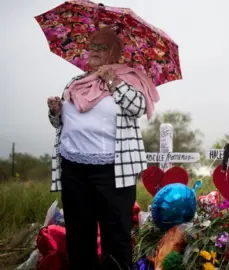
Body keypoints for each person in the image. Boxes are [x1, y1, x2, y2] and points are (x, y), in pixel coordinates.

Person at [47, 27, 158, 269]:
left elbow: (137, 107)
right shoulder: (77, 82)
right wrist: (55, 112)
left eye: (101, 47)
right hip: (73, 168)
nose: (94, 51)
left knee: (116, 232)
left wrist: (111, 80)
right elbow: (61, 123)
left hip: (113, 170)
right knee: (78, 232)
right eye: (92, 46)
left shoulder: (130, 79)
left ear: (115, 53)